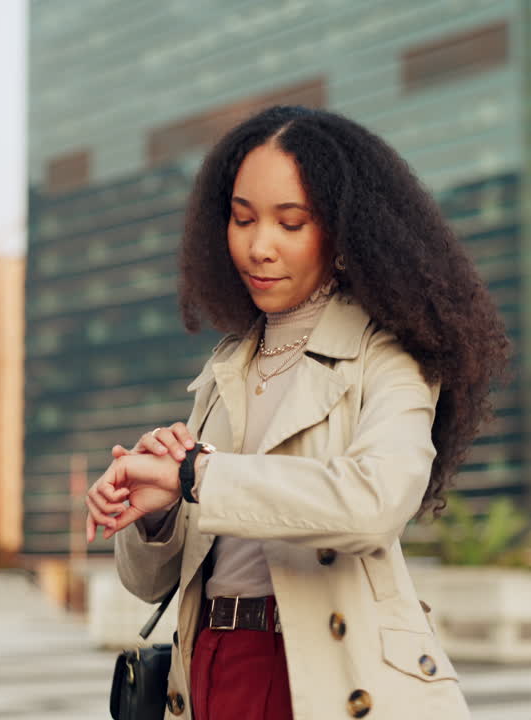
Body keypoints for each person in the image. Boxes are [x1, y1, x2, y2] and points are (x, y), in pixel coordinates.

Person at [85, 105, 508, 720]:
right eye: (242, 219)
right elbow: (153, 584)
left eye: (290, 223)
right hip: (210, 663)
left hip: (326, 671)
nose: (259, 246)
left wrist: (198, 475)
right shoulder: (229, 365)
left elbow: (375, 502)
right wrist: (157, 514)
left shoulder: (388, 355)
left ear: (341, 231)